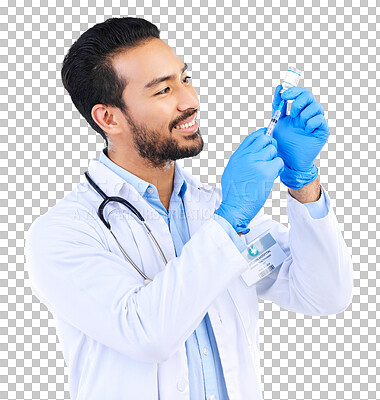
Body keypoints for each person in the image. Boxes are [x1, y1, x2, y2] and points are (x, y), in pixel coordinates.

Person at [25, 16, 353, 400]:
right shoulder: (65, 232)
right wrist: (231, 220)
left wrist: (303, 183)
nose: (189, 101)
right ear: (108, 117)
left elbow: (324, 295)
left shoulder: (212, 208)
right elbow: (147, 334)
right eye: (163, 90)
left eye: (185, 78)